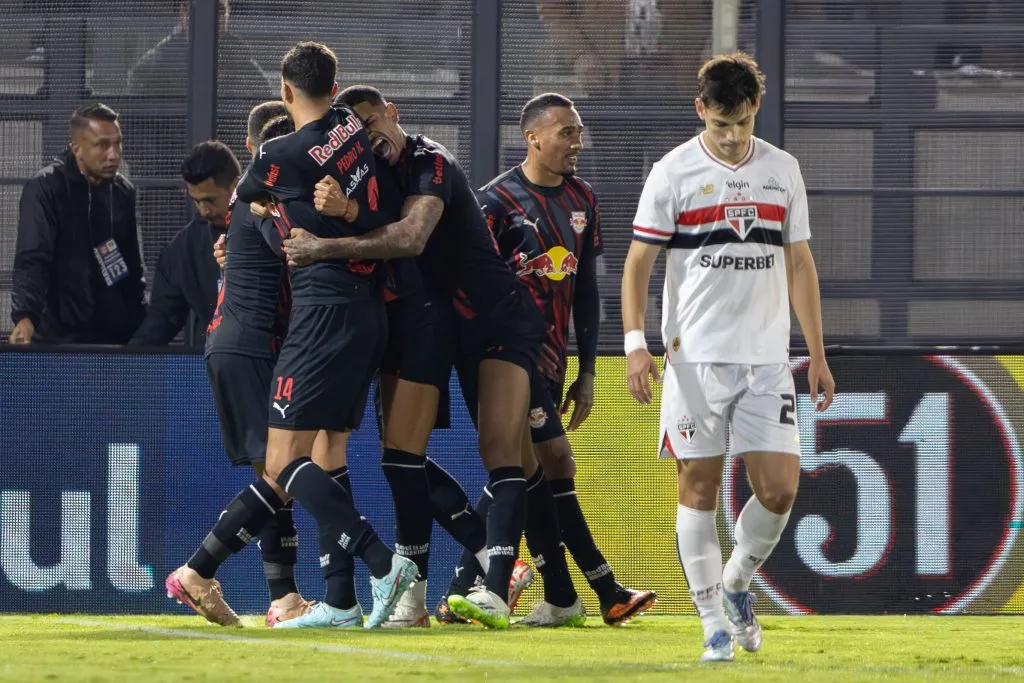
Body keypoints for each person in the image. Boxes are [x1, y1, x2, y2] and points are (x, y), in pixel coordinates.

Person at [278, 84, 553, 630]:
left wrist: (324, 244)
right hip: (414, 315)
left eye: (373, 120)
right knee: (401, 460)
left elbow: (409, 236)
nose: (368, 135)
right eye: (355, 130)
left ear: (393, 113)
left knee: (506, 453)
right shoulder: (366, 176)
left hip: (476, 317)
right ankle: (432, 590)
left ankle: (502, 571)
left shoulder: (432, 160)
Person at [620, 53, 835, 662]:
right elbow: (639, 264)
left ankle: (738, 581)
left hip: (768, 359)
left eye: (741, 124)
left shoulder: (782, 169)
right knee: (700, 486)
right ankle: (713, 624)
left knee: (779, 491)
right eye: (721, 126)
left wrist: (815, 352)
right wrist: (636, 344)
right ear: (700, 112)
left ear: (755, 110)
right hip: (694, 360)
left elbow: (798, 263)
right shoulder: (673, 172)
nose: (733, 137)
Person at [448, 92, 656, 627]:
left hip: (554, 361)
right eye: (566, 133)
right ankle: (597, 585)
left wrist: (587, 371)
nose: (576, 144)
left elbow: (586, 291)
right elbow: (468, 284)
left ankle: (543, 594)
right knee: (551, 461)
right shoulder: (492, 203)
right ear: (533, 137)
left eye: (579, 133)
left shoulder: (583, 200)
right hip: (507, 355)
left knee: (530, 471)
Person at [233, 42, 417, 630]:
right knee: (329, 451)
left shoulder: (279, 152)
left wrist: (272, 211)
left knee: (282, 460)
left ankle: (383, 564)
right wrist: (333, 209)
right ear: (336, 92)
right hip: (368, 309)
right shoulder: (348, 127)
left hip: (321, 312)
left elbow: (246, 192)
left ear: (285, 93)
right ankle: (340, 601)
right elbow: (375, 209)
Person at [166, 106, 315, 628]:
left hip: (235, 341)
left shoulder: (245, 204)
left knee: (274, 475)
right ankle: (198, 572)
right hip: (249, 344)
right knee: (283, 472)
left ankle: (284, 599)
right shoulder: (266, 198)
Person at [10, 102, 146, 345]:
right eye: (102, 145)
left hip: (112, 338)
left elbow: (131, 266)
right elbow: (33, 258)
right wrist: (25, 316)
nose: (113, 154)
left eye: (117, 143)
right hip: (58, 337)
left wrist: (139, 325)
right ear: (76, 149)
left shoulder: (122, 191)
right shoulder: (46, 188)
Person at [129, 141, 238, 348]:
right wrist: (128, 365)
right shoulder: (184, 248)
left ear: (235, 187)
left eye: (210, 200)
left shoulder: (269, 229)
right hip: (209, 364)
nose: (204, 210)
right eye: (197, 201)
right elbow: (162, 319)